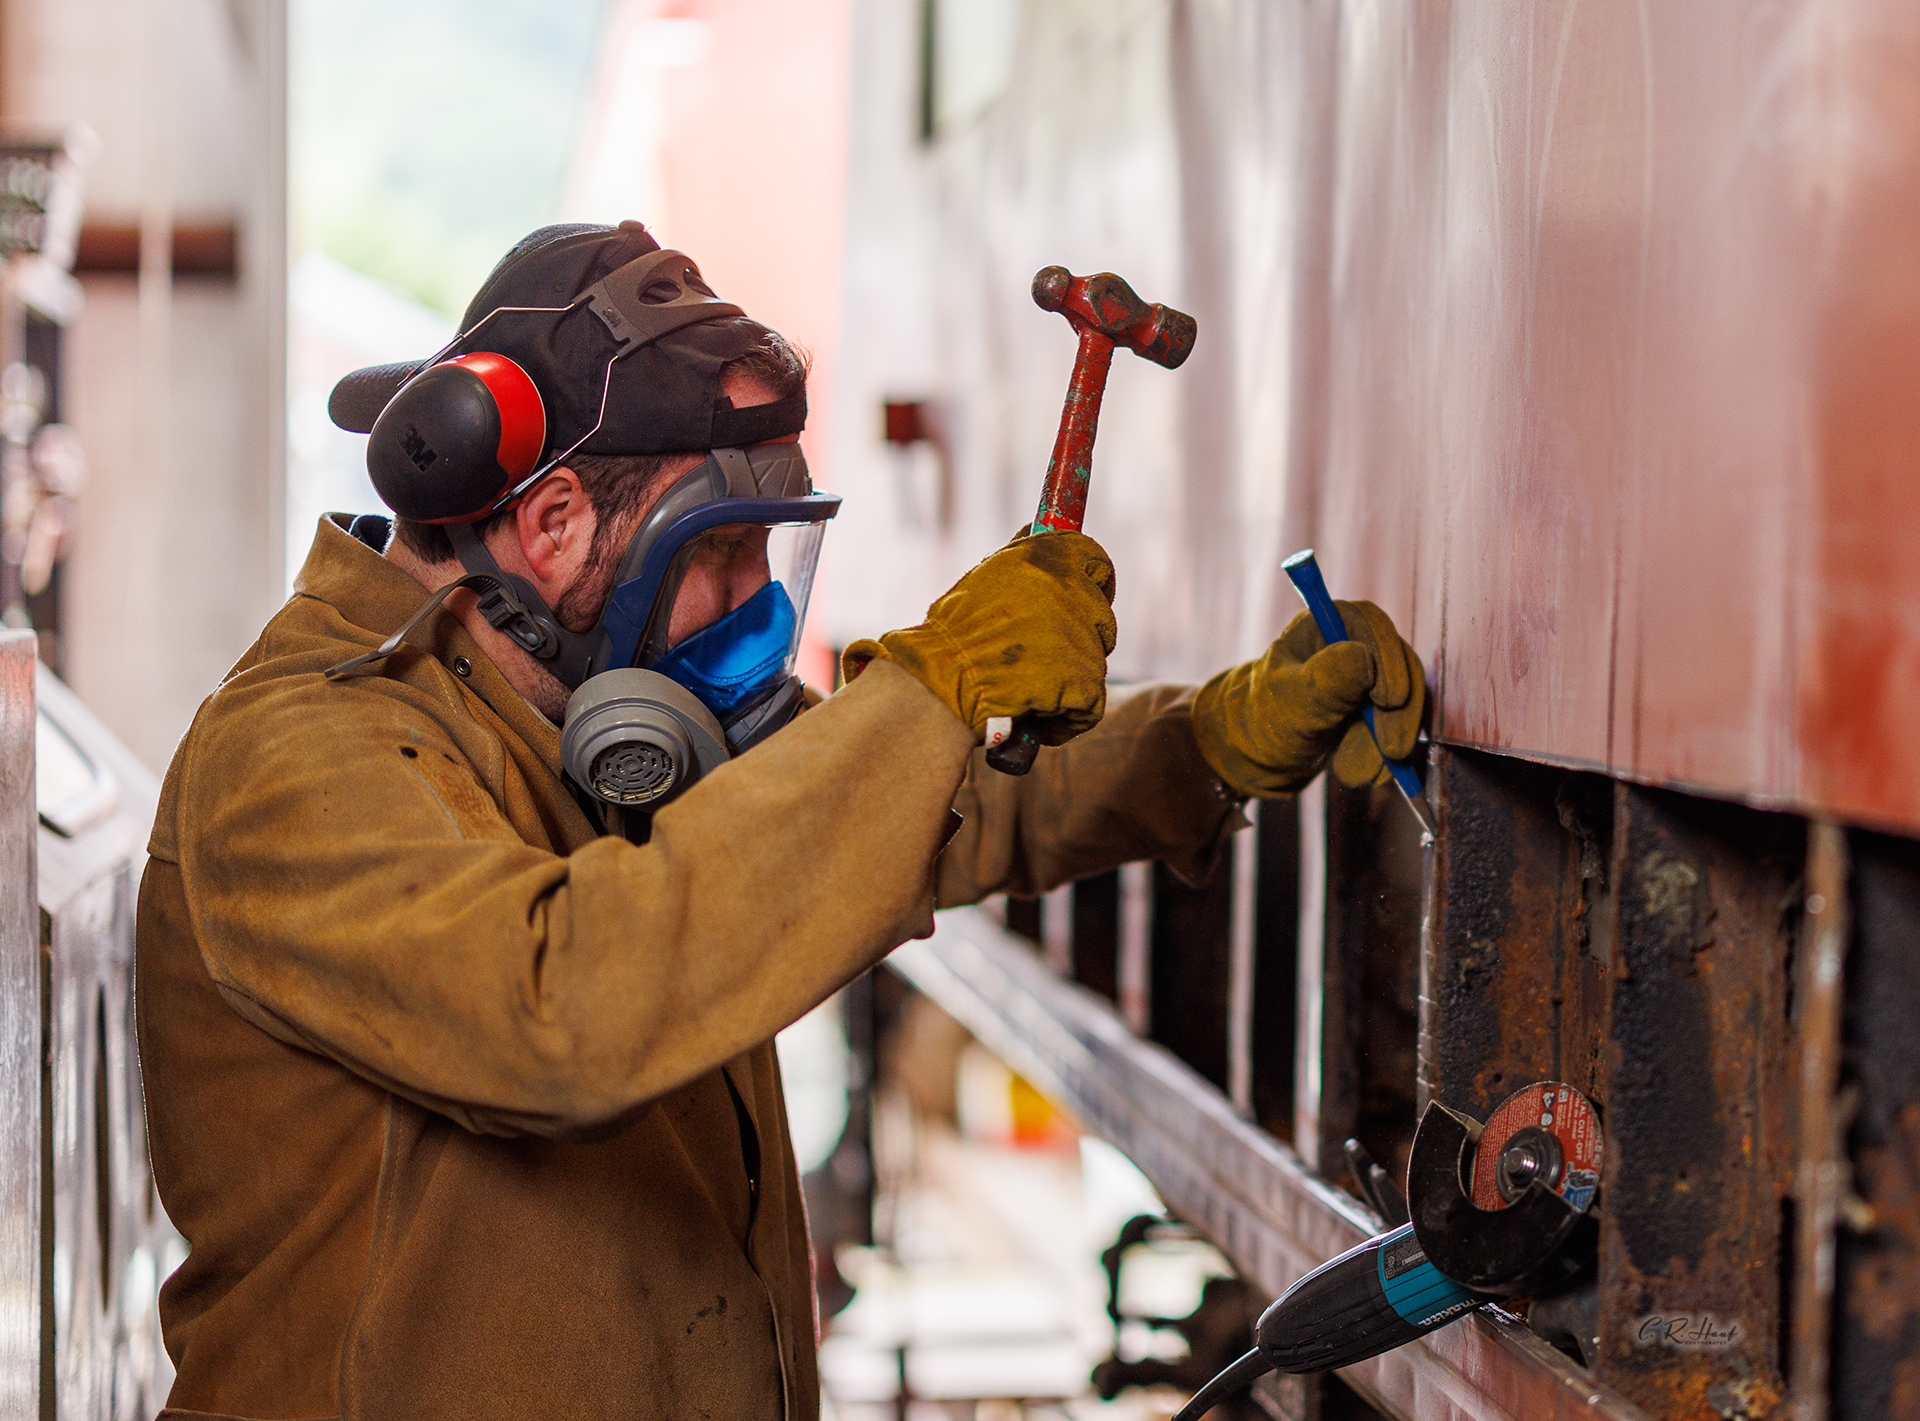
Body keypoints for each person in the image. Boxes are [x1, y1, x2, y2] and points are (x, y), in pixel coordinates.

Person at [135, 221, 1423, 1420]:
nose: (757, 604)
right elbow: (557, 1008)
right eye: (722, 553)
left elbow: (918, 812)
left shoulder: (576, 714)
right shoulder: (300, 751)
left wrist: (1207, 739)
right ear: (554, 523)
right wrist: (929, 688)